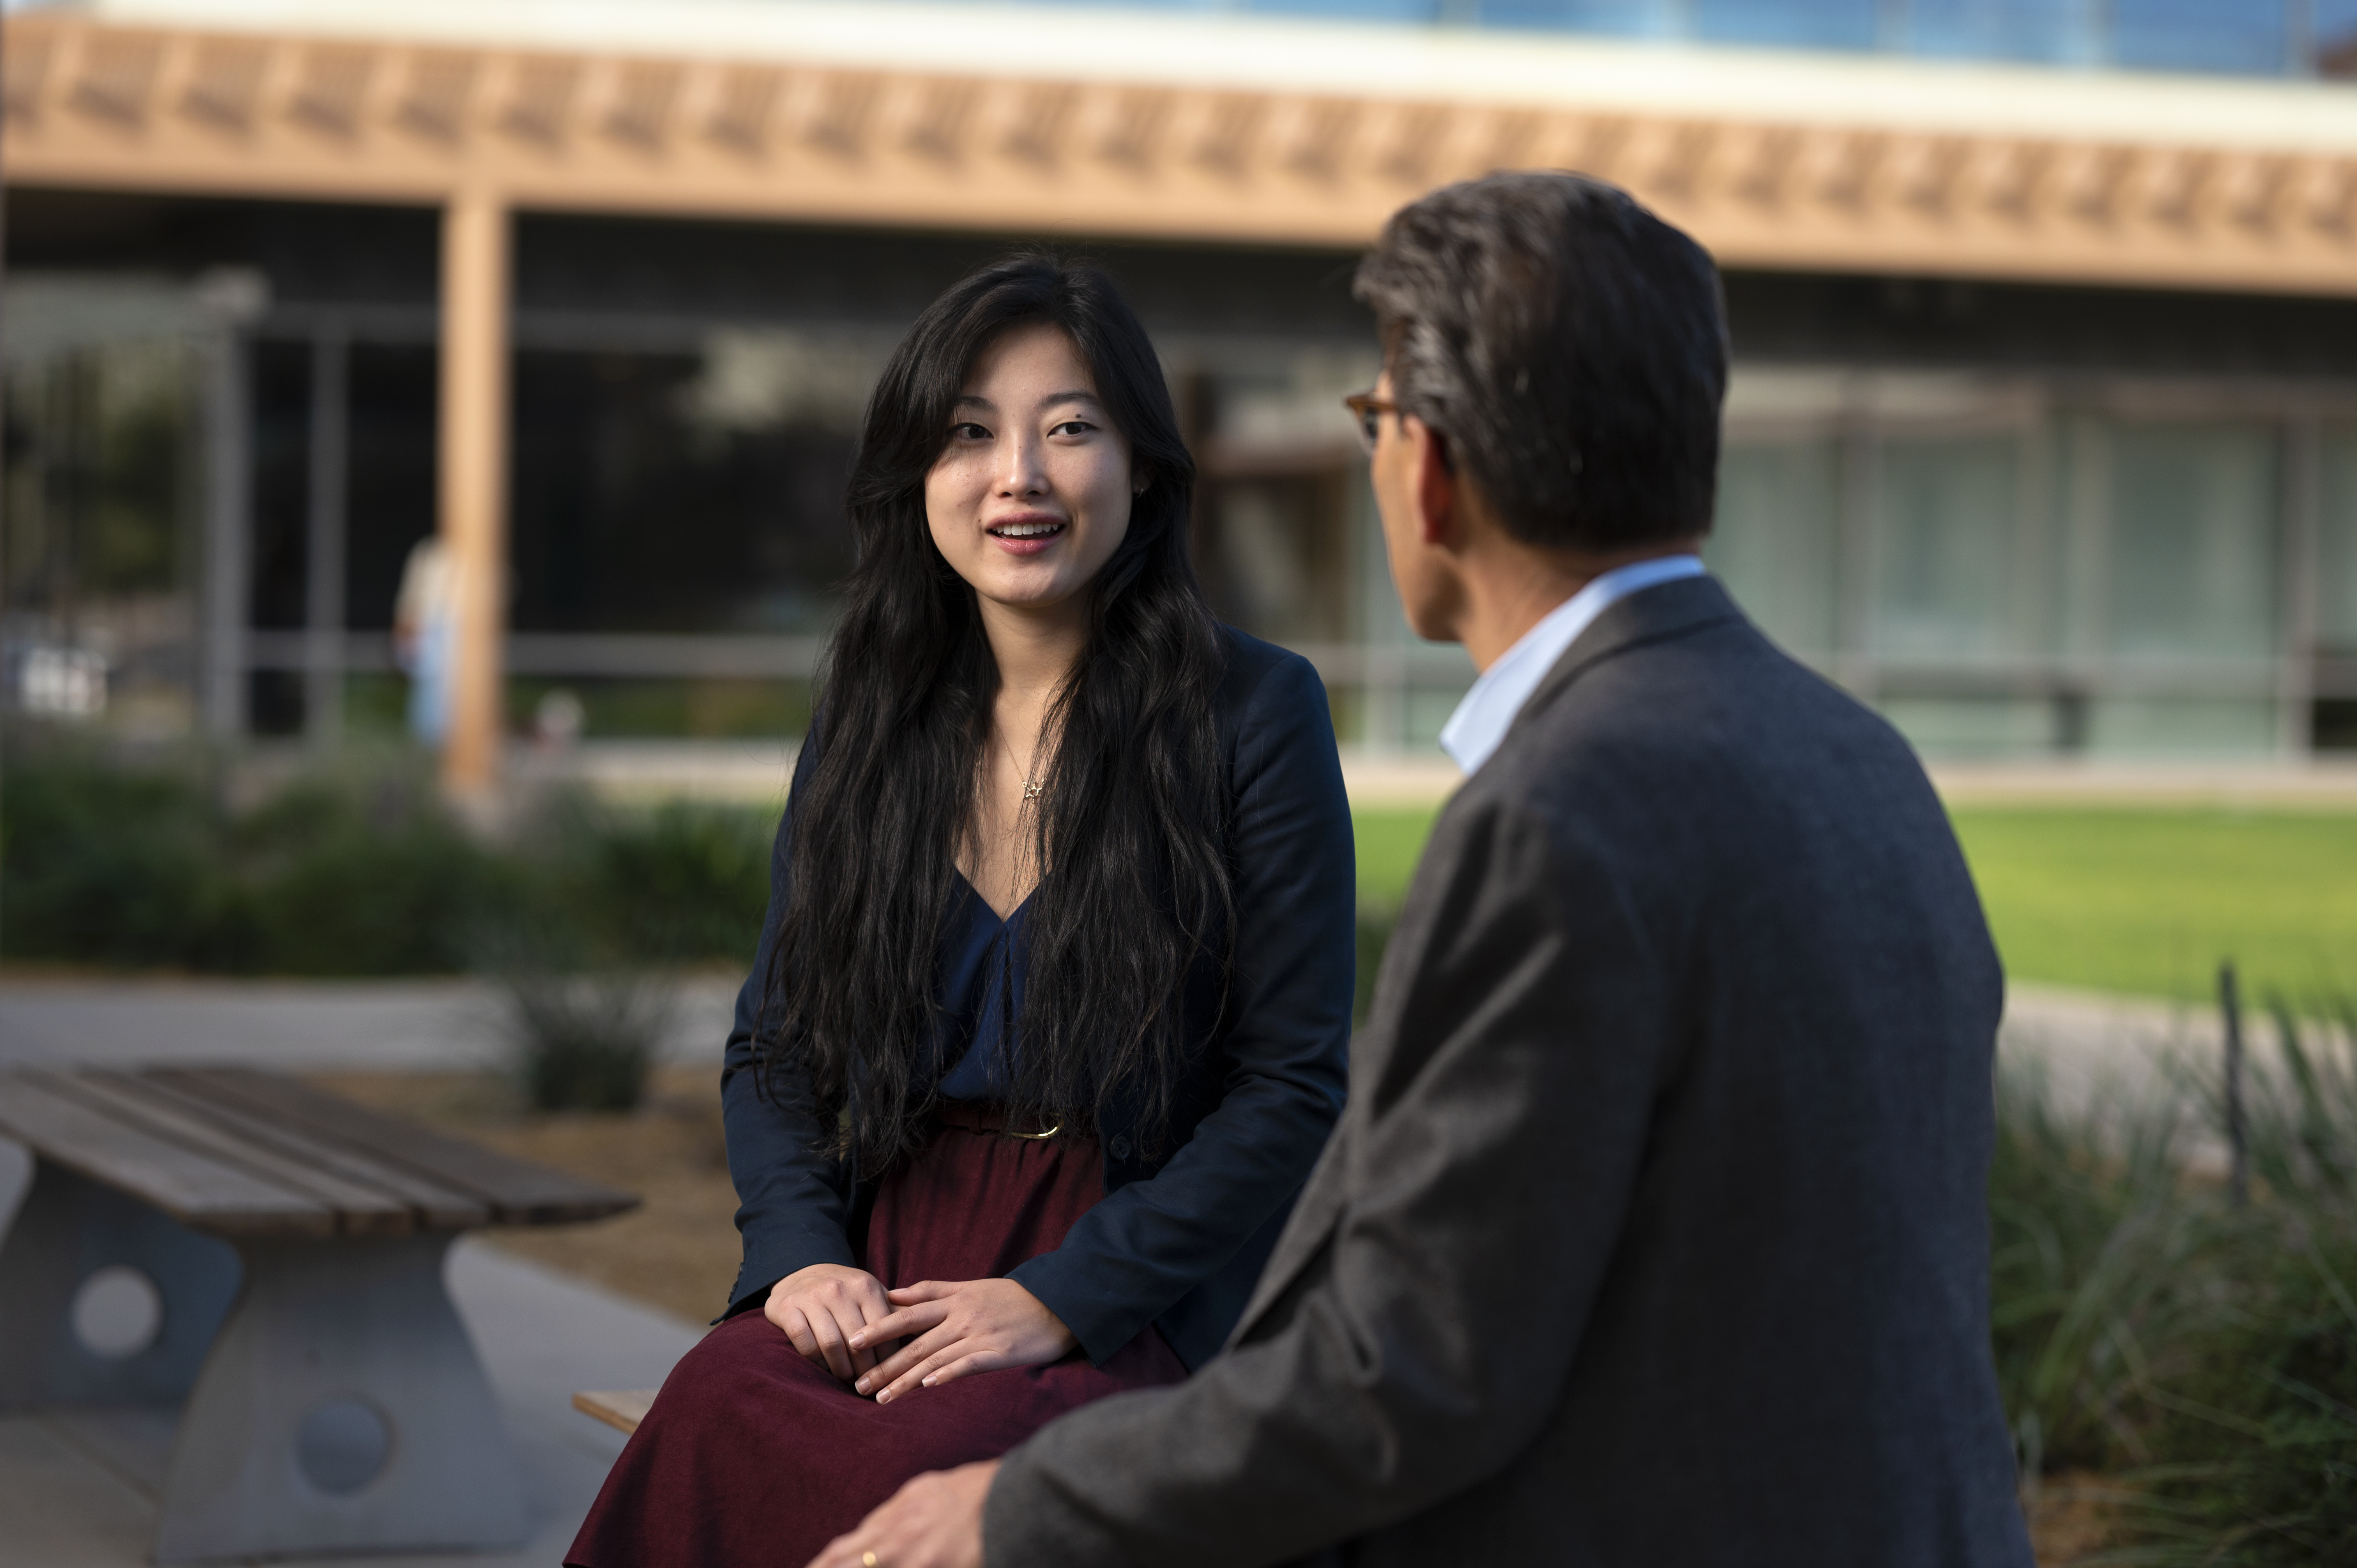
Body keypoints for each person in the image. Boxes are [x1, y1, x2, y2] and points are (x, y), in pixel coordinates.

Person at [812, 174, 2037, 1567]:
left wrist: (1016, 1507)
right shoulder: (1864, 757)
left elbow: (1407, 1370)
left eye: (1376, 418)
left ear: (1431, 470)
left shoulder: (1563, 815)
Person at [564, 255, 1355, 1568]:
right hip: (885, 1275)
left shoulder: (1253, 713)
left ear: (1145, 467)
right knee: (715, 1399)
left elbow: (1292, 1085)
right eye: (970, 434)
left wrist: (1061, 1297)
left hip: (1128, 1286)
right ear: (917, 477)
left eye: (1072, 428)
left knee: (935, 1478)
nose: (1020, 477)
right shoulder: (871, 722)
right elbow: (776, 1048)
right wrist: (800, 1260)